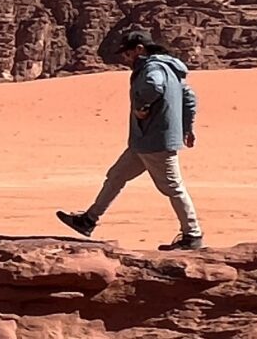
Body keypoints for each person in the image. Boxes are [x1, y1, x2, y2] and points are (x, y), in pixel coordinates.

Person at [56, 29, 205, 250]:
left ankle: (192, 235)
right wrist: (187, 128)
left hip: (155, 141)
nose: (126, 59)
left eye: (127, 54)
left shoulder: (152, 68)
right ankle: (88, 220)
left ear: (139, 49)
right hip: (144, 142)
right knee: (116, 176)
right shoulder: (171, 68)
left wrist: (142, 107)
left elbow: (154, 87)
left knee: (173, 187)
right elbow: (189, 98)